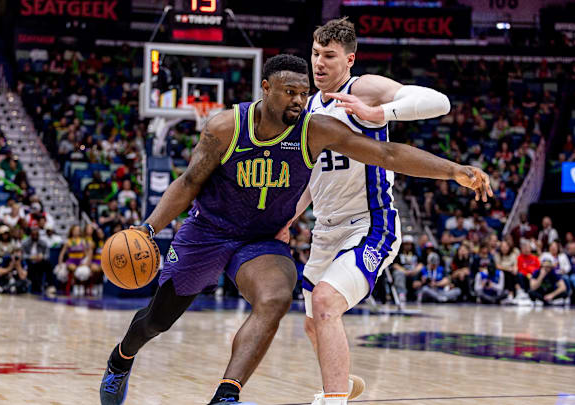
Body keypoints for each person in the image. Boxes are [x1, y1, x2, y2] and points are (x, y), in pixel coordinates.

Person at [99, 55, 492, 405]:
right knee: (158, 320)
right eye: (289, 92)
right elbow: (187, 184)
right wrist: (148, 229)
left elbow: (386, 154)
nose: (298, 101)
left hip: (260, 241)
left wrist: (453, 170)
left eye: (304, 93)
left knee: (274, 298)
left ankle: (227, 395)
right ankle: (122, 357)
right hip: (209, 232)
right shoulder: (225, 127)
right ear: (266, 88)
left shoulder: (314, 129)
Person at [279, 18, 490, 405]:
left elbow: (437, 102)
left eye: (329, 56)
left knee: (326, 303)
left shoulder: (363, 88)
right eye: (315, 55)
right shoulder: (308, 106)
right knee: (314, 323)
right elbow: (310, 178)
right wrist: (288, 219)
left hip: (370, 224)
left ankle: (333, 399)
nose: (319, 64)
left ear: (349, 59)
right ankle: (346, 384)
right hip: (326, 231)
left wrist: (383, 114)